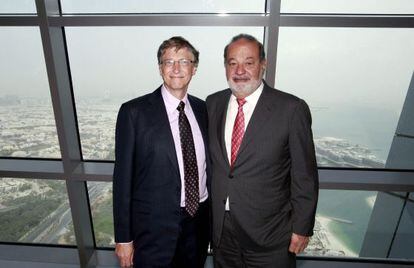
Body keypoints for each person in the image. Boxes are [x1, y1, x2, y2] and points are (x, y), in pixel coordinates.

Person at [206, 34, 319, 267]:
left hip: (271, 237)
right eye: (232, 63)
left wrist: (302, 228)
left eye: (249, 62)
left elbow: (305, 175)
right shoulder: (212, 104)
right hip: (222, 235)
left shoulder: (291, 109)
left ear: (263, 65)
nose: (239, 70)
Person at [113, 36, 209, 268]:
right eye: (168, 62)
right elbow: (123, 180)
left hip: (198, 226)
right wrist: (124, 239)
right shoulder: (134, 113)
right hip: (153, 231)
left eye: (184, 61)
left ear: (194, 68)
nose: (176, 68)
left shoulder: (203, 109)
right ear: (160, 69)